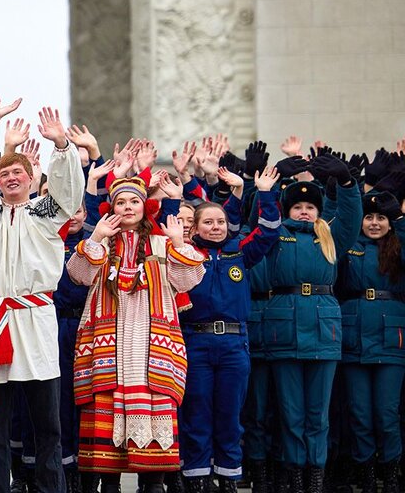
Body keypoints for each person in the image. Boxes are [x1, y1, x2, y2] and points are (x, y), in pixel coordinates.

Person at [0, 104, 85, 493]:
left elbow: (69, 193)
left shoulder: (46, 212)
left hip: (35, 321)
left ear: (33, 178)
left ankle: (52, 489)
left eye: (19, 172)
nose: (12, 177)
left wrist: (62, 146)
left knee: (47, 424)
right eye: (4, 173)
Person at [67, 172, 206, 493]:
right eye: (120, 202)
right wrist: (96, 238)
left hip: (151, 345)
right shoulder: (102, 243)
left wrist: (180, 243)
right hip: (108, 345)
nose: (128, 207)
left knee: (154, 401)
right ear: (111, 207)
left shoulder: (162, 243)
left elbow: (188, 282)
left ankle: (153, 483)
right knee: (105, 404)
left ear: (146, 207)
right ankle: (109, 483)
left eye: (134, 201)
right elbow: (79, 275)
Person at [177, 167, 281, 493]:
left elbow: (267, 232)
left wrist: (263, 192)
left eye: (220, 222)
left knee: (230, 415)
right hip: (196, 340)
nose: (216, 227)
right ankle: (196, 478)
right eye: (208, 222)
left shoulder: (238, 251)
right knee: (197, 413)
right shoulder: (185, 254)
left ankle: (228, 478)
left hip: (234, 343)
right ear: (194, 227)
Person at [262, 154, 361, 492]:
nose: (304, 210)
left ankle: (315, 474)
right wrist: (273, 180)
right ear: (287, 211)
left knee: (318, 414)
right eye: (297, 206)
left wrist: (347, 183)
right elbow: (258, 215)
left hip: (323, 330)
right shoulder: (275, 236)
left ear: (319, 212)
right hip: (285, 329)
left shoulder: (331, 237)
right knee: (291, 413)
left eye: (310, 206)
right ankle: (294, 473)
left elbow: (351, 216)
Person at [337, 191, 405, 493]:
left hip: (391, 339)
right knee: (360, 413)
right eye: (369, 217)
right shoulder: (350, 246)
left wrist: (401, 221)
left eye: (381, 218)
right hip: (354, 338)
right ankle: (364, 472)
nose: (374, 223)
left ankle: (390, 473)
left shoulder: (398, 246)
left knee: (387, 413)